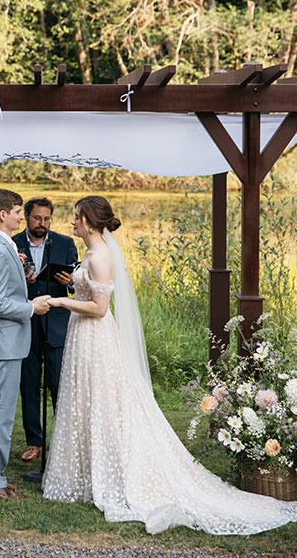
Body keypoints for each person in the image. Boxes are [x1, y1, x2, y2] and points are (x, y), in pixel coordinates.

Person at [42, 195, 297, 534]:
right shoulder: (89, 253)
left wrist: (61, 301)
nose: (72, 222)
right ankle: (87, 473)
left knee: (103, 402)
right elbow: (88, 292)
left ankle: (112, 474)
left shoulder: (101, 255)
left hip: (95, 336)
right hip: (81, 336)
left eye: (76, 217)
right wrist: (73, 288)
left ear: (89, 221)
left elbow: (101, 308)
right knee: (85, 401)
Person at [0, 188, 51, 499]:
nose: (22, 216)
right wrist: (31, 308)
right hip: (3, 345)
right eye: (18, 211)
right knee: (1, 416)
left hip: (4, 343)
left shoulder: (2, 245)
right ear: (3, 215)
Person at [12, 196, 78, 462]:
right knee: (28, 384)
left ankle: (63, 442)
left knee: (57, 384)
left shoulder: (65, 243)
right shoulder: (12, 243)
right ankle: (34, 442)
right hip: (25, 322)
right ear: (26, 216)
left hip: (55, 323)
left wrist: (72, 281)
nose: (42, 223)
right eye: (37, 218)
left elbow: (77, 284)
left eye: (47, 218)